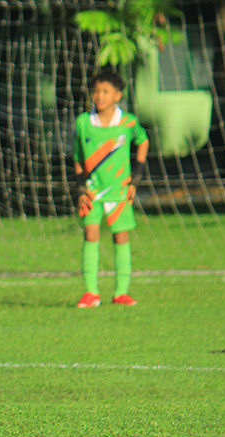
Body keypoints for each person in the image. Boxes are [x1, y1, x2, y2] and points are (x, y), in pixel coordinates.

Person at [73, 69, 149, 307]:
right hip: (93, 191)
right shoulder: (84, 122)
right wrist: (79, 188)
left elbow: (143, 140)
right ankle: (91, 292)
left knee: (121, 236)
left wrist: (136, 176)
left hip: (118, 190)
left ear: (117, 95)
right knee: (91, 233)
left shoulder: (127, 122)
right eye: (96, 91)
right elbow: (77, 156)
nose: (99, 96)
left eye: (105, 92)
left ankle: (121, 292)